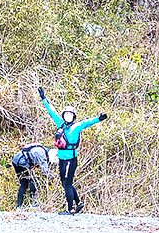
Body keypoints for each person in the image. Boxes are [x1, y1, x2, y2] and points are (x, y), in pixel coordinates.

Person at [38, 87, 107, 215]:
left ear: (73, 116)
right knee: (65, 183)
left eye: (70, 114)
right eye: (66, 114)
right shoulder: (60, 124)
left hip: (71, 159)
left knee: (68, 184)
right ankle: (78, 203)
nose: (68, 116)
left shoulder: (76, 126)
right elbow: (52, 111)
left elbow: (88, 122)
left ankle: (70, 210)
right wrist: (44, 99)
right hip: (61, 158)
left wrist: (99, 118)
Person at [12, 143, 57, 208]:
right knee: (34, 182)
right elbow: (45, 171)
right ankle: (32, 204)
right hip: (21, 162)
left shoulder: (42, 149)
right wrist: (54, 176)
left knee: (24, 184)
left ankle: (19, 206)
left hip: (16, 160)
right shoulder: (42, 155)